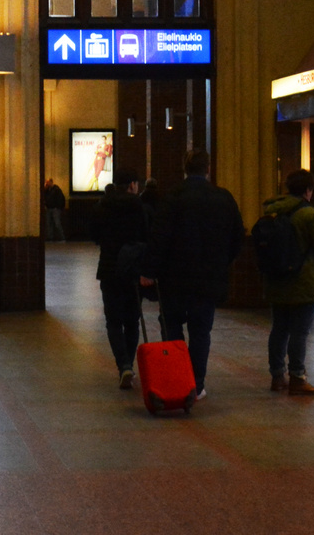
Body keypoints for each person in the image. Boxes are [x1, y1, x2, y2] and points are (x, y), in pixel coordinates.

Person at [140, 150, 244, 401]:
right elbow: (237, 238)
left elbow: (159, 238)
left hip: (173, 279)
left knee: (172, 329)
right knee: (201, 333)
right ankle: (196, 384)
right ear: (208, 169)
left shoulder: (173, 197)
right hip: (209, 280)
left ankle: (176, 379)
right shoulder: (223, 198)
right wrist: (221, 263)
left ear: (185, 169)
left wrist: (149, 271)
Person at [259, 169, 314, 396]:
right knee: (300, 332)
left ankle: (277, 377)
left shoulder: (272, 210)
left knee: (279, 329)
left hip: (276, 278)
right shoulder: (311, 214)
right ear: (308, 190)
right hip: (305, 281)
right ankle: (297, 377)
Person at [92, 172, 150, 388]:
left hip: (109, 269)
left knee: (113, 321)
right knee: (132, 320)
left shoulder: (102, 206)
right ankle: (130, 366)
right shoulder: (139, 207)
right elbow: (146, 236)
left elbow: (95, 235)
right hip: (132, 269)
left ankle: (123, 365)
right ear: (133, 184)